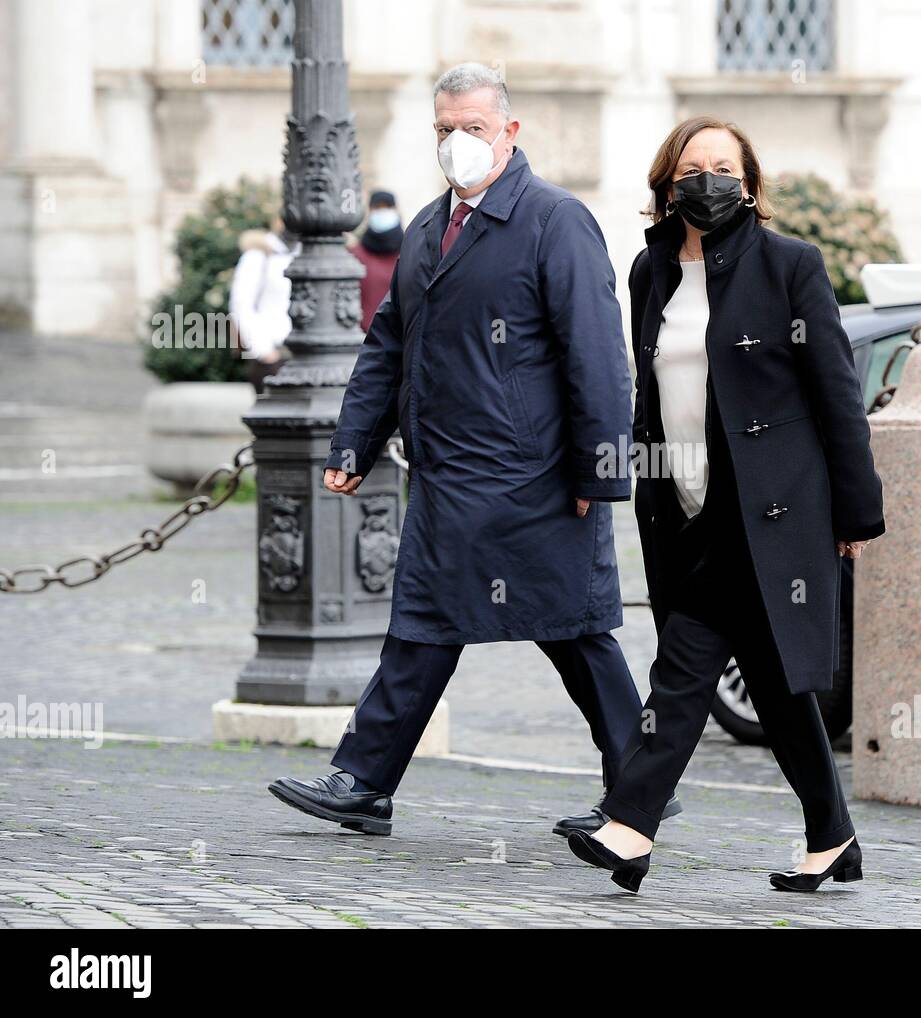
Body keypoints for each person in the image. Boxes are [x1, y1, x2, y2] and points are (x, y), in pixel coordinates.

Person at [268, 62, 680, 836]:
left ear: (510, 133)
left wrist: (601, 467)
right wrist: (354, 440)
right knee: (424, 622)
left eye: (473, 128)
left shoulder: (557, 220)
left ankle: (639, 782)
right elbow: (389, 346)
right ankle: (363, 781)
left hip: (539, 481)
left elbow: (595, 352)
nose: (457, 142)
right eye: (444, 130)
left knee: (576, 632)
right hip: (451, 477)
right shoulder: (427, 228)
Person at [565, 116, 885, 894]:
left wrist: (855, 514)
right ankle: (833, 836)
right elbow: (650, 392)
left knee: (684, 668)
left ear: (747, 183)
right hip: (683, 502)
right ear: (668, 183)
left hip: (769, 508)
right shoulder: (651, 274)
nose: (706, 179)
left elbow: (836, 395)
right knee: (775, 687)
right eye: (692, 167)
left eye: (722, 167)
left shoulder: (790, 267)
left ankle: (631, 825)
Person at [229, 217, 298, 392]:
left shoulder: (306, 252)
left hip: (304, 354)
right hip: (273, 355)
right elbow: (241, 304)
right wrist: (263, 351)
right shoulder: (259, 255)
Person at [353, 190, 403, 331]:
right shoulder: (355, 255)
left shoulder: (410, 251)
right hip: (362, 339)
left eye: (387, 207)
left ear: (395, 210)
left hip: (399, 340)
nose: (382, 212)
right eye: (377, 208)